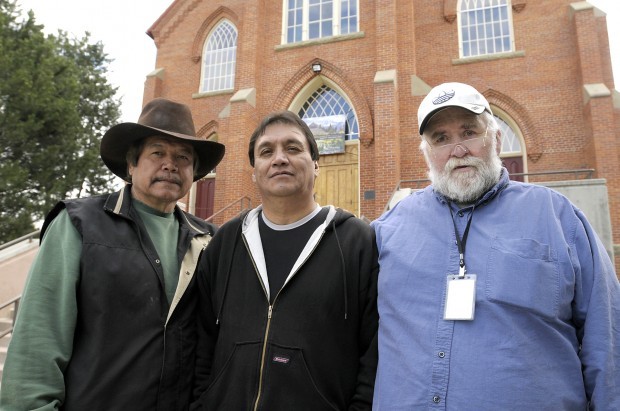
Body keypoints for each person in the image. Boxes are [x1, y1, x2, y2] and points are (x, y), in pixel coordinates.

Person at [371, 82, 620, 410]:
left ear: (496, 138)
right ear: (426, 152)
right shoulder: (388, 229)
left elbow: (607, 342)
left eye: (469, 132)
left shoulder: (558, 219)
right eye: (441, 138)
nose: (457, 149)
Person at [0, 98, 225, 410]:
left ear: (194, 172)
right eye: (157, 152)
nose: (170, 164)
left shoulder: (210, 240)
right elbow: (38, 340)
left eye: (183, 157)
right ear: (131, 164)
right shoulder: (79, 223)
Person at [191, 110, 379, 410]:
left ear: (316, 165)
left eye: (293, 148)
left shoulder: (357, 242)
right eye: (266, 151)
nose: (279, 158)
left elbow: (373, 351)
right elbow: (201, 341)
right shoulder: (225, 243)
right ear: (254, 171)